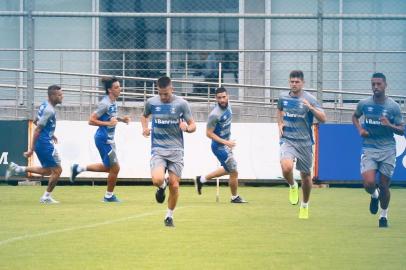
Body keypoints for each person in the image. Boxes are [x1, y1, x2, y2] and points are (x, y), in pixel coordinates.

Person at [141, 76, 196, 227]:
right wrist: (145, 128)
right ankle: (161, 187)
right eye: (160, 93)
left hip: (176, 150)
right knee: (157, 180)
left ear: (172, 89)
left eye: (166, 93)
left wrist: (187, 128)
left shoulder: (182, 104)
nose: (163, 97)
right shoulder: (151, 102)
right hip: (158, 149)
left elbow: (193, 125)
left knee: (175, 185)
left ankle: (169, 216)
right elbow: (144, 116)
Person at [352, 72, 404, 228]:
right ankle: (374, 196)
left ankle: (383, 216)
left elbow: (401, 130)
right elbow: (355, 116)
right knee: (368, 183)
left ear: (385, 85)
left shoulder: (393, 106)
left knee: (384, 186)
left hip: (388, 149)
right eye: (373, 84)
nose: (375, 87)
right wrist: (360, 129)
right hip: (369, 147)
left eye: (378, 84)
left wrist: (389, 124)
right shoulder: (364, 103)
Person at [70, 77, 130, 202]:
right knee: (115, 168)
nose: (120, 89)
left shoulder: (113, 102)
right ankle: (108, 196)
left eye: (120, 86)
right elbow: (91, 120)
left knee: (109, 168)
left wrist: (121, 120)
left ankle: (78, 168)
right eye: (117, 87)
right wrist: (108, 124)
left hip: (109, 140)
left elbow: (111, 117)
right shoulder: (105, 103)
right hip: (103, 139)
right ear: (109, 90)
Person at [277, 70, 326, 219]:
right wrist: (279, 123)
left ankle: (304, 205)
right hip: (288, 140)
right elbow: (279, 109)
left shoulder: (309, 99)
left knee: (306, 176)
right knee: (286, 167)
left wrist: (310, 107)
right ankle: (292, 185)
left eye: (297, 82)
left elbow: (323, 118)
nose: (294, 84)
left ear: (303, 83)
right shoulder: (283, 97)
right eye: (292, 81)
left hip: (304, 142)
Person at [5, 85, 64, 203]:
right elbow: (37, 129)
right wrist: (31, 149)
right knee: (57, 171)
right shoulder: (49, 110)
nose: (62, 97)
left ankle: (17, 168)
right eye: (59, 95)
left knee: (48, 170)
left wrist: (50, 133)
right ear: (52, 96)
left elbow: (37, 121)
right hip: (44, 144)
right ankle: (46, 197)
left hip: (44, 141)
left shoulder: (44, 105)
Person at [194, 87, 247, 203]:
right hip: (219, 147)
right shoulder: (214, 114)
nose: (222, 100)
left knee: (229, 169)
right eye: (219, 98)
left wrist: (228, 141)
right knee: (234, 171)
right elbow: (208, 134)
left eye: (224, 97)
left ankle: (202, 179)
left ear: (228, 96)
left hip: (226, 145)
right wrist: (226, 142)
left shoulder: (229, 106)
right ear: (216, 99)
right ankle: (234, 197)